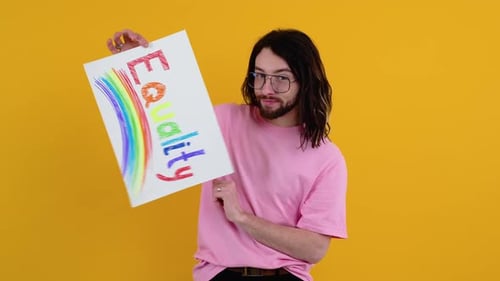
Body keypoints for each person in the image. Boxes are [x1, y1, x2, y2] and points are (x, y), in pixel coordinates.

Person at [106, 28, 348, 281]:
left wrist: (241, 217)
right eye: (260, 76)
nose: (266, 88)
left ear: (306, 82)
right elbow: (159, 128)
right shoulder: (223, 121)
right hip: (219, 274)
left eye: (281, 78)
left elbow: (314, 248)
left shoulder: (327, 159)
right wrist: (133, 66)